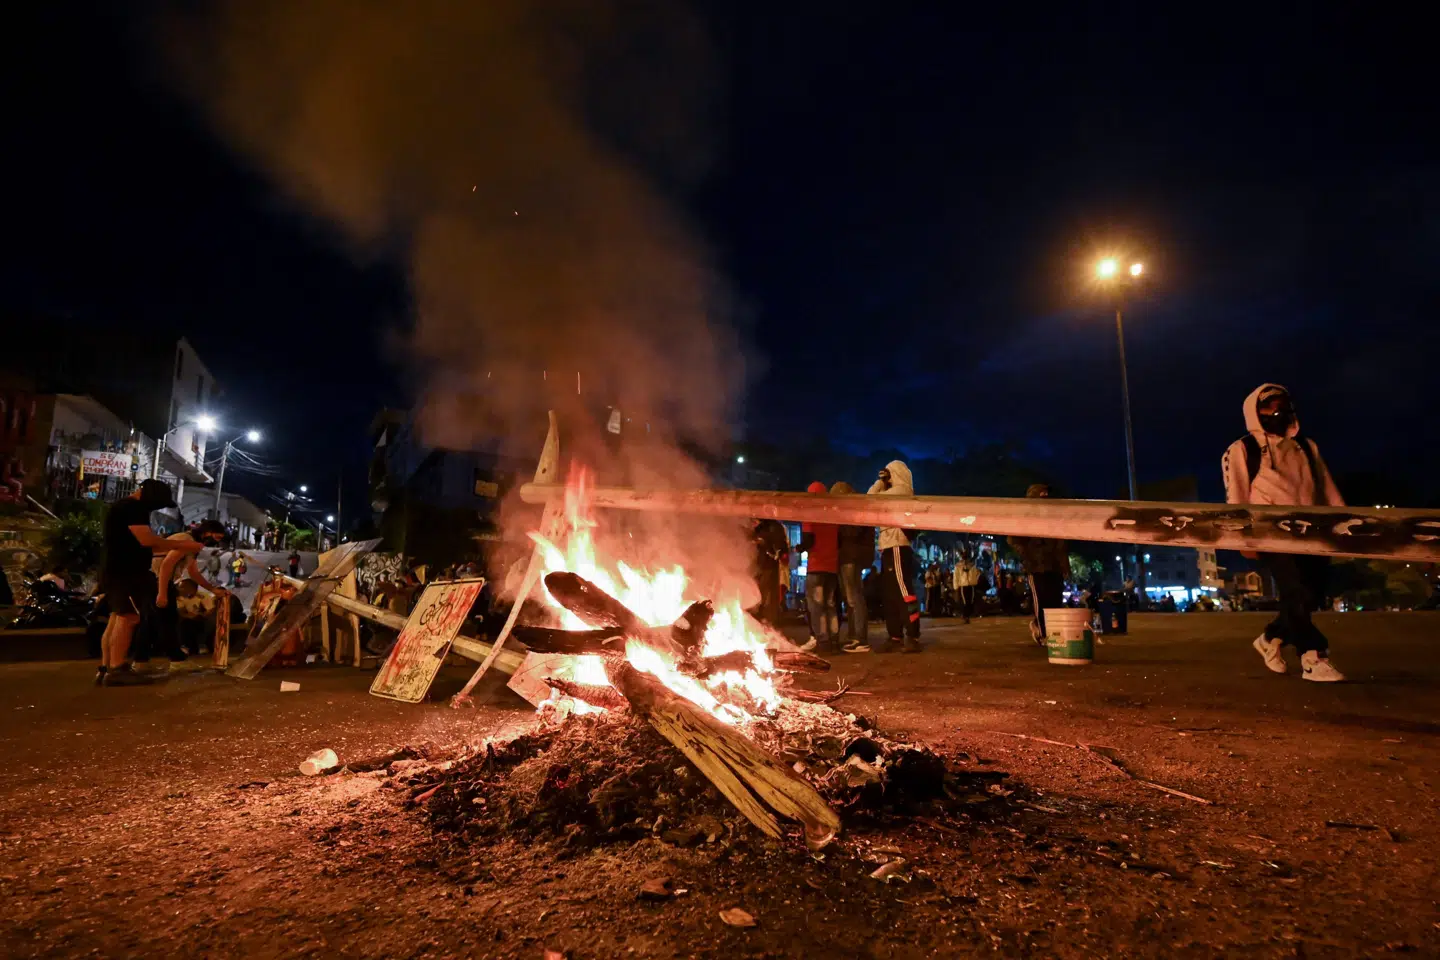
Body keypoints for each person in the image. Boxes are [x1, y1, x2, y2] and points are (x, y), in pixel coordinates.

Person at [1223, 383, 1346, 681]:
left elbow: (1326, 487)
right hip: (1271, 535)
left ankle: (1271, 637)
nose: (1276, 412)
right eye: (1268, 407)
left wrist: (1343, 527)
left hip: (1313, 534)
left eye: (1281, 405)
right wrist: (1243, 538)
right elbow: (1235, 495)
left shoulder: (1306, 446)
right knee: (1295, 589)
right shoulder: (1242, 450)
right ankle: (1313, 656)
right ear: (1255, 412)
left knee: (1310, 594)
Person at [95, 480, 202, 686]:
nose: (159, 507)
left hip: (116, 570)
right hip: (125, 572)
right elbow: (147, 540)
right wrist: (184, 544)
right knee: (129, 618)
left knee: (117, 618)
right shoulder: (133, 508)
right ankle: (116, 669)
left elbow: (139, 545)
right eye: (159, 503)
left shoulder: (122, 507)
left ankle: (105, 668)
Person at [153, 519, 229, 668]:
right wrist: (162, 591)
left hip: (162, 581)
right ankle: (175, 659)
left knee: (162, 619)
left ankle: (146, 660)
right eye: (216, 537)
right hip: (157, 579)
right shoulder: (187, 540)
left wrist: (212, 589)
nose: (215, 542)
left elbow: (193, 572)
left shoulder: (192, 543)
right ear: (207, 532)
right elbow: (167, 564)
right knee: (167, 619)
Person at [868, 461, 921, 653]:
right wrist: (883, 482)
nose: (885, 478)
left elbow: (870, 499)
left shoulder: (902, 490)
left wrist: (880, 482)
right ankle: (895, 636)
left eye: (888, 474)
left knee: (904, 591)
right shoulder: (894, 491)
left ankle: (912, 636)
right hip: (889, 546)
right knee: (890, 595)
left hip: (898, 545)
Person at [1009, 483, 1070, 646]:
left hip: (1054, 565)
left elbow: (1062, 544)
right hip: (1036, 566)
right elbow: (1013, 539)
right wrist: (1027, 554)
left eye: (1046, 494)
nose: (1045, 497)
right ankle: (1044, 634)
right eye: (1041, 494)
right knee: (1041, 600)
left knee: (1055, 600)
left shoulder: (1054, 517)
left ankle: (1048, 629)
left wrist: (1065, 567)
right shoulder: (1025, 517)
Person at [798, 481, 841, 653]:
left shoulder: (810, 513)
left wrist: (799, 548)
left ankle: (823, 641)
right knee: (830, 605)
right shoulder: (833, 516)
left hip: (816, 567)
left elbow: (809, 540)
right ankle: (834, 640)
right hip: (832, 568)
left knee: (817, 607)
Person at [830, 482, 873, 652]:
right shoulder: (857, 508)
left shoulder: (854, 510)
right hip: (849, 556)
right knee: (851, 599)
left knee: (854, 598)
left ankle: (860, 639)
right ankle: (855, 636)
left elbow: (851, 532)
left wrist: (837, 525)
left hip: (851, 556)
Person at [750, 518, 790, 627]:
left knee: (765, 597)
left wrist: (764, 544)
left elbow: (782, 549)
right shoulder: (757, 525)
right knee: (757, 596)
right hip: (755, 566)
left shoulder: (773, 527)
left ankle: (766, 624)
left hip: (767, 566)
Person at [953, 553, 981, 624]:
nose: (965, 559)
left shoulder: (972, 566)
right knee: (965, 602)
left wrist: (975, 581)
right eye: (964, 557)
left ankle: (967, 615)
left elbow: (976, 574)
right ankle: (966, 616)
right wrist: (956, 586)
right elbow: (956, 576)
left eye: (966, 557)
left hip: (971, 585)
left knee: (971, 601)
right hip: (963, 586)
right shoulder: (958, 566)